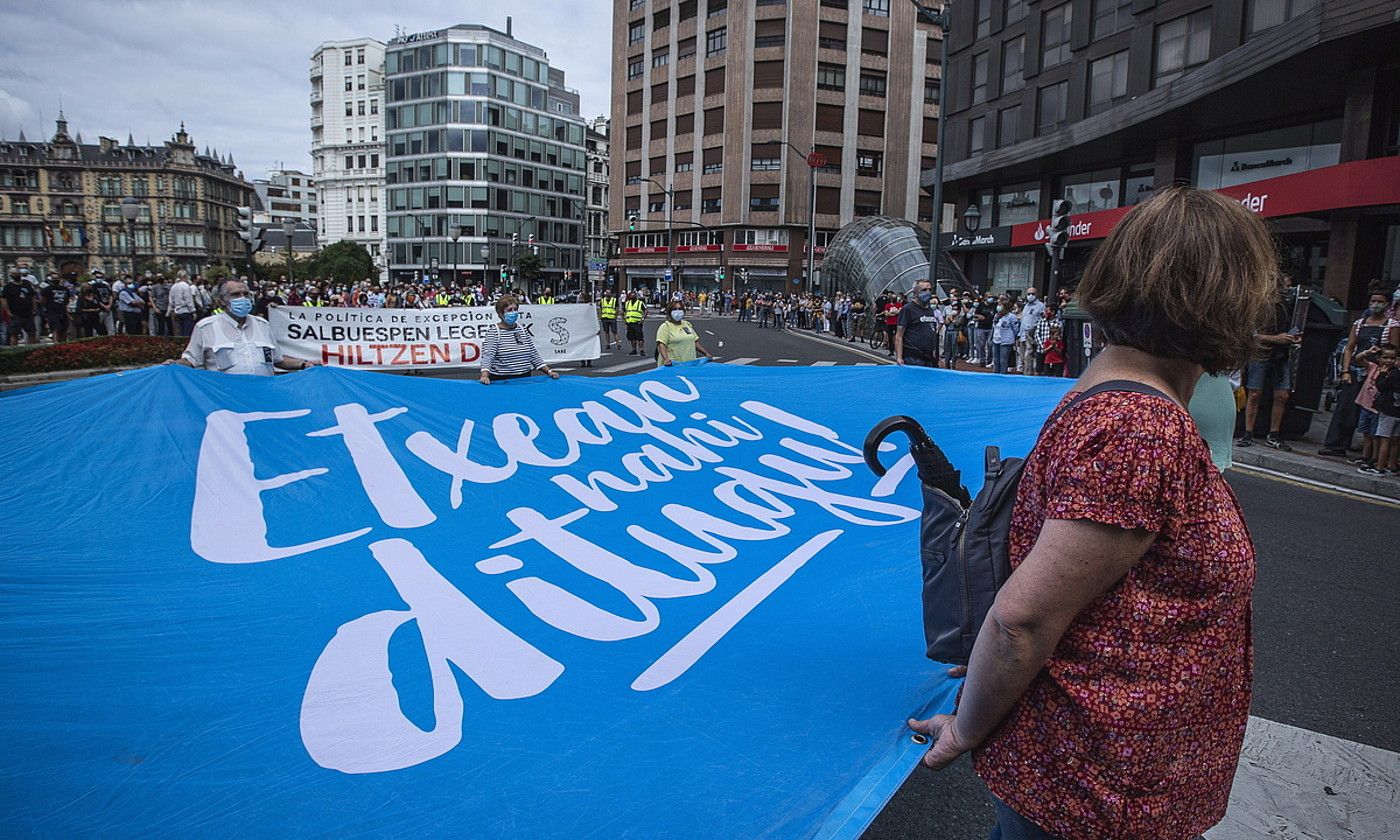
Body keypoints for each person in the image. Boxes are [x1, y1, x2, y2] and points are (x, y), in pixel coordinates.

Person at [909, 186, 1273, 840]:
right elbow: (1023, 619)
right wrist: (966, 727)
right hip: (1096, 791)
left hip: (1094, 781)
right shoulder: (1141, 428)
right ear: (1227, 298)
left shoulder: (1113, 397)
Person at [171, 279, 318, 375]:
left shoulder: (263, 325)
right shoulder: (206, 328)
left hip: (263, 396)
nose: (243, 298)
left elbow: (278, 360)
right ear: (222, 301)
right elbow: (190, 361)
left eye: (246, 294)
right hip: (227, 401)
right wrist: (174, 365)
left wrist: (304, 364)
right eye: (235, 295)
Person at [1319, 289, 1399, 456]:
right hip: (1356, 369)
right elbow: (1349, 349)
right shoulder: (1359, 323)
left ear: (1387, 304)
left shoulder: (1392, 326)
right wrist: (1345, 371)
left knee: (1373, 411)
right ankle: (1336, 445)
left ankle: (1370, 453)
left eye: (1380, 301)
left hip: (1377, 374)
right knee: (1345, 407)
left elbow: (1394, 351)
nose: (1375, 304)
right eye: (1373, 301)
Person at [1239, 284, 1303, 450]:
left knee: (1282, 395)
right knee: (1254, 394)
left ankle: (1273, 434)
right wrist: (1277, 339)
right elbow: (1251, 335)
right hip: (1260, 353)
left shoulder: (1287, 307)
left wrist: (1291, 338)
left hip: (1281, 355)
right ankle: (1248, 432)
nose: (1285, 288)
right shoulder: (1257, 306)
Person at [479, 294, 559, 384]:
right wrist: (484, 376)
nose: (513, 312)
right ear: (500, 313)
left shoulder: (522, 330)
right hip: (502, 381)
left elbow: (533, 354)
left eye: (515, 309)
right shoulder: (494, 332)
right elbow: (488, 357)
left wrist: (549, 371)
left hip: (525, 379)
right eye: (509, 310)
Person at [1366, 345, 1400, 475]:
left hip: (1388, 410)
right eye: (1386, 357)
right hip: (1397, 411)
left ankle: (1379, 466)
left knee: (1385, 439)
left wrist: (1382, 375)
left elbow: (1381, 387)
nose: (1389, 361)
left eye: (1392, 358)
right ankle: (1391, 465)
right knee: (1396, 440)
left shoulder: (1391, 374)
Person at [895, 280, 941, 368]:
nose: (928, 293)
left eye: (929, 290)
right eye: (924, 290)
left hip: (928, 357)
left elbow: (932, 330)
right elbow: (899, 335)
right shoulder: (908, 309)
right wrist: (899, 357)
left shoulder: (930, 310)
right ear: (915, 293)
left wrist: (935, 354)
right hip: (912, 358)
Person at [1017, 286, 1046, 373]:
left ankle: (1029, 374)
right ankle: (1025, 372)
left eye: (1032, 294)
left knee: (1028, 356)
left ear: (1036, 294)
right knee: (1022, 357)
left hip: (1032, 335)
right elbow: (1023, 321)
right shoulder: (1026, 306)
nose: (1030, 295)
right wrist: (1019, 335)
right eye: (1029, 294)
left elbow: (1042, 319)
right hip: (1023, 334)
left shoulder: (1040, 306)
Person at [990, 294, 1019, 374]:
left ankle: (1003, 376)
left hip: (1006, 341)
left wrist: (1013, 339)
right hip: (996, 340)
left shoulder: (1011, 317)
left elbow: (1016, 329)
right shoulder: (996, 316)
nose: (998, 307)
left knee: (1003, 360)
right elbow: (993, 328)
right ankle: (995, 376)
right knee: (995, 360)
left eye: (1000, 305)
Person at [168, 271, 197, 337]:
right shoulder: (186, 286)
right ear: (185, 276)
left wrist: (170, 311)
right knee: (187, 331)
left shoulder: (173, 287)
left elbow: (171, 301)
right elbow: (188, 300)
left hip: (177, 311)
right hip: (186, 311)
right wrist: (193, 311)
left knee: (179, 332)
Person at [623, 290, 647, 355]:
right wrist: (624, 319)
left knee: (639, 337)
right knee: (631, 337)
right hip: (629, 323)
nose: (632, 296)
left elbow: (646, 311)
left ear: (636, 296)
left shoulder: (640, 303)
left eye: (633, 295)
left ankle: (641, 350)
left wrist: (643, 319)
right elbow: (623, 311)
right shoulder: (627, 303)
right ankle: (634, 350)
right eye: (631, 295)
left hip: (637, 323)